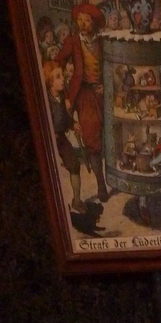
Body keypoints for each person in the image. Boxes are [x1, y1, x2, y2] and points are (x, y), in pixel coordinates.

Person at [56, 4, 109, 202]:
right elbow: (57, 62)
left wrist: (106, 83)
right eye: (79, 20)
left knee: (112, 132)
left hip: (105, 92)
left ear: (94, 22)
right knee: (91, 137)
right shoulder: (72, 41)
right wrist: (66, 92)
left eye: (86, 20)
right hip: (84, 94)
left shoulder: (103, 41)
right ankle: (101, 183)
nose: (82, 24)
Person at [42, 60, 85, 213]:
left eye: (62, 76)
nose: (63, 80)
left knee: (74, 165)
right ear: (49, 82)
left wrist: (73, 124)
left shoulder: (60, 98)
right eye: (58, 77)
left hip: (60, 138)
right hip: (47, 141)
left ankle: (77, 201)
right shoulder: (45, 100)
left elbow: (64, 118)